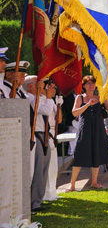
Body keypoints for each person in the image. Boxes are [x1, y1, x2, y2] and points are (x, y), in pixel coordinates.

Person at [66, 75, 108, 192]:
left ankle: (94, 182)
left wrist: (107, 98)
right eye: (88, 83)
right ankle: (72, 185)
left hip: (98, 129)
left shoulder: (100, 97)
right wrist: (88, 104)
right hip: (85, 129)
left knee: (96, 154)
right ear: (84, 85)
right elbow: (74, 113)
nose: (91, 85)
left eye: (93, 83)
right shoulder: (79, 98)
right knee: (79, 155)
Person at [23, 75, 58, 212]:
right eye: (39, 82)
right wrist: (49, 97)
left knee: (44, 168)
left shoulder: (40, 97)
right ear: (31, 85)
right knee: (37, 169)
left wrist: (48, 97)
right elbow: (45, 110)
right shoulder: (29, 97)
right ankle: (34, 202)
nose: (43, 85)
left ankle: (39, 198)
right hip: (36, 134)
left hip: (45, 135)